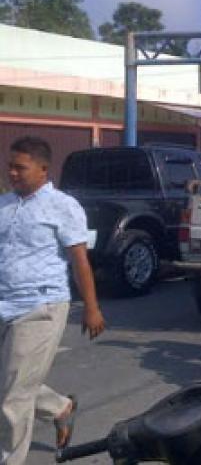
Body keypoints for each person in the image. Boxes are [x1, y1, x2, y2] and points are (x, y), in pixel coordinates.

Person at [0, 136, 106, 464]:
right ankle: (60, 408)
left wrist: (91, 308)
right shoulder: (4, 204)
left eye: (20, 167)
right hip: (3, 302)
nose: (12, 173)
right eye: (10, 167)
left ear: (43, 169)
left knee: (13, 399)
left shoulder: (63, 206)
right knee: (9, 386)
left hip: (40, 307)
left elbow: (79, 260)